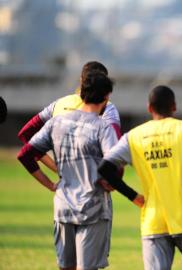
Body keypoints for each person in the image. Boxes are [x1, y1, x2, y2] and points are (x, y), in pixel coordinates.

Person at [98, 85, 182, 270]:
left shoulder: (133, 136)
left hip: (153, 220)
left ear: (149, 108)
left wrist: (133, 196)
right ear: (174, 107)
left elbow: (105, 168)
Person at [17, 72, 117, 270]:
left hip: (63, 206)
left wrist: (50, 184)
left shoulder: (57, 121)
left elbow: (25, 154)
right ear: (106, 97)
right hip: (93, 207)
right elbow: (115, 163)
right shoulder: (103, 126)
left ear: (81, 93)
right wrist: (110, 182)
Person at [17, 61, 121, 172]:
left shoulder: (59, 104)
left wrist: (56, 168)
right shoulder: (108, 108)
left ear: (81, 80)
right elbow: (115, 151)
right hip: (93, 180)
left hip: (64, 182)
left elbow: (26, 134)